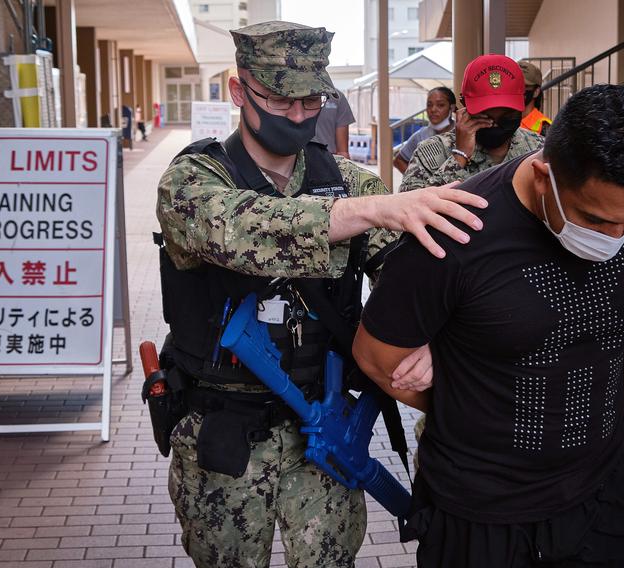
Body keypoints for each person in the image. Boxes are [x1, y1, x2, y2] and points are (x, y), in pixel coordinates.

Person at [155, 20, 487, 568]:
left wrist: (435, 342)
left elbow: (412, 280)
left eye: (312, 100)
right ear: (239, 91)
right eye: (280, 99)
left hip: (325, 430)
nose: (298, 115)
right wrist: (367, 212)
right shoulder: (194, 178)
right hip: (223, 438)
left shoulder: (352, 184)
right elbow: (236, 227)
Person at [353, 84, 624, 567]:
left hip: (607, 486)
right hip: (483, 510)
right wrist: (472, 396)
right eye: (595, 219)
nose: (615, 236)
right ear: (544, 176)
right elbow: (376, 358)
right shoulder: (453, 230)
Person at [399, 54, 543, 192]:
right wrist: (459, 157)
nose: (496, 124)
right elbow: (410, 212)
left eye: (507, 115)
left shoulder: (539, 148)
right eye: (486, 116)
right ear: (463, 105)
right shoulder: (431, 152)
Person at [393, 87, 457, 173]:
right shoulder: (421, 136)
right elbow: (399, 161)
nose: (433, 110)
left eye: (440, 105)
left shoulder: (462, 133)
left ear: (452, 107)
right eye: (429, 105)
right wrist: (414, 181)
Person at [312, 90, 355, 157]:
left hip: (327, 158)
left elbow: (342, 152)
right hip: (295, 159)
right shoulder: (336, 96)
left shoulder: (336, 97)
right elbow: (343, 152)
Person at [519, 60, 553, 136]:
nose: (518, 89)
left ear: (536, 92)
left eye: (524, 86)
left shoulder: (545, 126)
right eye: (515, 85)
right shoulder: (500, 119)